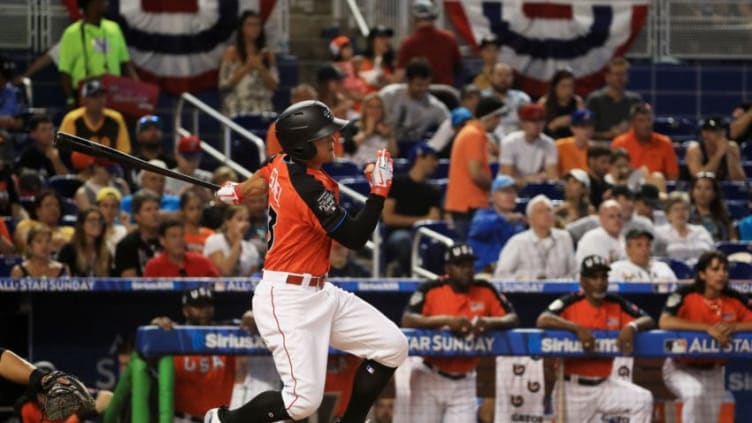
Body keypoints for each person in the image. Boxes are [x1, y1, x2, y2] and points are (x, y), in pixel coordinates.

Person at [205, 100, 408, 423]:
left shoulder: (285, 161)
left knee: (392, 345)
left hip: (319, 291)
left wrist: (240, 191)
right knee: (301, 403)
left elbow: (266, 171)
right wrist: (379, 192)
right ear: (303, 144)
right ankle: (223, 420)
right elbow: (354, 238)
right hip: (287, 298)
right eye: (324, 134)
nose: (333, 138)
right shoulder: (308, 189)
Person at [402, 243, 519, 423]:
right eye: (460, 265)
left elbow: (512, 318)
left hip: (465, 380)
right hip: (430, 375)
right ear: (448, 268)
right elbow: (408, 319)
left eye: (469, 265)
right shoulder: (431, 288)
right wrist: (446, 321)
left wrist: (489, 322)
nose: (467, 270)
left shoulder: (485, 289)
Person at [536, 254, 654, 423]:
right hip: (573, 389)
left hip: (604, 385)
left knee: (642, 399)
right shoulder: (571, 301)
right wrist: (576, 328)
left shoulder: (616, 303)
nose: (600, 282)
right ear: (583, 281)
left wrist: (631, 326)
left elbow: (648, 319)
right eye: (593, 277)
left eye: (603, 277)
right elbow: (543, 319)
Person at [659, 250, 752, 423]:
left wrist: (735, 326)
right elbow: (665, 321)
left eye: (724, 270)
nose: (721, 274)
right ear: (702, 274)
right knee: (694, 393)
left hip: (714, 371)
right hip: (680, 367)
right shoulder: (685, 293)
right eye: (715, 270)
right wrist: (706, 328)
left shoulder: (734, 297)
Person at [150, 288, 246, 421]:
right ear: (185, 310)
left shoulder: (228, 332)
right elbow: (148, 359)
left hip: (220, 418)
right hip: (183, 419)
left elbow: (248, 322)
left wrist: (250, 317)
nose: (204, 311)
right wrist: (155, 328)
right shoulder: (174, 334)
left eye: (208, 305)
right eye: (198, 306)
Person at [57, 0, 138, 107]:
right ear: (91, 4)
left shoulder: (114, 29)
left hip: (113, 94)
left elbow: (125, 64)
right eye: (102, 1)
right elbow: (65, 71)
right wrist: (71, 100)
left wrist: (139, 90)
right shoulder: (71, 33)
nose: (107, 3)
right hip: (85, 95)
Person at [445, 96, 504, 240]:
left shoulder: (470, 132)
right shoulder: (474, 135)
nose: (499, 122)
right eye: (498, 117)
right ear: (491, 117)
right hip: (469, 205)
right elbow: (476, 173)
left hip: (465, 204)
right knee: (472, 254)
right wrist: (497, 188)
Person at [382, 142, 440, 276]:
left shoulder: (433, 190)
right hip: (398, 233)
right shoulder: (397, 183)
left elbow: (435, 218)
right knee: (403, 240)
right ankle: (408, 275)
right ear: (420, 157)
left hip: (424, 235)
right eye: (432, 159)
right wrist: (421, 221)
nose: (436, 163)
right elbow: (388, 218)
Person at [495, 195, 577, 280]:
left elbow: (574, 272)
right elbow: (501, 274)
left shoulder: (564, 238)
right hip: (526, 292)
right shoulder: (518, 242)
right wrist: (522, 280)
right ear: (530, 218)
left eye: (549, 210)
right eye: (540, 211)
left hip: (561, 292)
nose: (546, 214)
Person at [59, 79, 131, 164]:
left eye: (102, 96)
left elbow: (124, 153)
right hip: (81, 170)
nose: (99, 100)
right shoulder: (72, 119)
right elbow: (64, 152)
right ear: (83, 99)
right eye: (94, 96)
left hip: (111, 170)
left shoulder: (116, 118)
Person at [219, 10, 277, 115]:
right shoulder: (231, 52)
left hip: (263, 108)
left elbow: (274, 85)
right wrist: (247, 67)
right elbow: (224, 84)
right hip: (237, 107)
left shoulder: (267, 53)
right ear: (242, 28)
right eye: (250, 24)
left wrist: (261, 68)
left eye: (257, 25)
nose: (254, 28)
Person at [379, 58, 449, 143]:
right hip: (383, 142)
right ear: (408, 81)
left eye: (426, 85)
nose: (423, 89)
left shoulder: (434, 106)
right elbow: (368, 116)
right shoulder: (389, 95)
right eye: (418, 85)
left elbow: (449, 125)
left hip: (413, 148)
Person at [468, 175, 527, 274]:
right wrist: (504, 218)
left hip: (511, 273)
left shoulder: (517, 223)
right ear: (492, 195)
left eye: (513, 192)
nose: (511, 196)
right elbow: (480, 228)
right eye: (505, 192)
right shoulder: (482, 215)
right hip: (484, 273)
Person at [396, 0, 461, 86]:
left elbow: (400, 75)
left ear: (414, 18)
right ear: (434, 16)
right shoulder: (449, 38)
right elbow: (458, 67)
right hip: (447, 94)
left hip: (419, 94)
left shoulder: (408, 43)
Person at [611, 104, 679, 182]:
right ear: (632, 123)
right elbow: (614, 174)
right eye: (641, 120)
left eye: (649, 120)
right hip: (628, 187)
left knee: (657, 176)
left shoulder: (665, 143)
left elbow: (673, 176)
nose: (647, 124)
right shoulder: (619, 143)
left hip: (657, 189)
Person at [499, 103, 558, 186]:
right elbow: (507, 179)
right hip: (512, 190)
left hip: (537, 189)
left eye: (540, 120)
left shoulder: (549, 143)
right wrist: (529, 179)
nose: (537, 125)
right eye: (532, 121)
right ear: (522, 123)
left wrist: (529, 180)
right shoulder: (509, 142)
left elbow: (552, 177)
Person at [585, 57, 642, 141]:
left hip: (627, 147)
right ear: (607, 77)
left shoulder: (634, 100)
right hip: (601, 147)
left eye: (623, 74)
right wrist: (609, 135)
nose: (620, 78)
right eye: (617, 74)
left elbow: (640, 128)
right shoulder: (594, 100)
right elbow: (586, 132)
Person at [654, 192, 715, 264]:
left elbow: (713, 255)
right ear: (668, 214)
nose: (681, 213)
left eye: (684, 209)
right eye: (676, 209)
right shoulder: (659, 233)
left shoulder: (701, 231)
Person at [144, 219, 219, 277]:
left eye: (182, 235)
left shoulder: (202, 262)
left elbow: (219, 288)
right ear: (162, 240)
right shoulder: (153, 267)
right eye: (174, 236)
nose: (179, 240)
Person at [203, 205, 260, 277]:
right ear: (227, 222)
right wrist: (237, 241)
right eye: (239, 219)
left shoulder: (251, 248)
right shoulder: (214, 241)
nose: (245, 224)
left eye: (247, 220)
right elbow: (225, 271)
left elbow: (251, 279)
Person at [113, 190, 161, 277]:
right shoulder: (126, 245)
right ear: (137, 216)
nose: (154, 213)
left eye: (156, 209)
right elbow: (129, 283)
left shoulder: (169, 239)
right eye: (148, 209)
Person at [13, 190, 75, 255]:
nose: (53, 208)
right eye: (48, 205)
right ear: (38, 211)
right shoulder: (27, 224)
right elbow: (25, 243)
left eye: (57, 205)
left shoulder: (70, 230)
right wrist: (60, 243)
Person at [685, 116, 746, 181]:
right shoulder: (694, 148)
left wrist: (729, 154)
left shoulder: (732, 147)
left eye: (713, 131)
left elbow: (739, 180)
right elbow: (699, 179)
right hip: (696, 190)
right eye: (705, 130)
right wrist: (719, 154)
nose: (707, 134)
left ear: (723, 133)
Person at [57, 208, 112, 277]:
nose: (97, 223)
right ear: (81, 225)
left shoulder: (106, 253)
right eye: (92, 220)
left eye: (100, 220)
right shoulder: (69, 250)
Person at [127, 115, 176, 189]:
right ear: (138, 135)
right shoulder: (129, 161)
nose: (153, 132)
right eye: (147, 129)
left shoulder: (171, 163)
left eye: (156, 129)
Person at [608, 229, 677, 282]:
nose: (644, 249)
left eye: (648, 245)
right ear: (627, 249)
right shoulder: (616, 269)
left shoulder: (663, 268)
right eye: (639, 245)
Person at [348, 93, 397, 166]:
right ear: (364, 109)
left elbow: (394, 153)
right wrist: (368, 132)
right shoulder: (354, 125)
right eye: (370, 107)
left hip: (381, 169)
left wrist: (388, 136)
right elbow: (348, 148)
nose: (374, 110)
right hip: (358, 168)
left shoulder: (386, 128)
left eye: (378, 107)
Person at [485, 63, 532, 139]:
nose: (503, 79)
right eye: (499, 75)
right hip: (490, 139)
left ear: (512, 78)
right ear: (491, 77)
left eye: (507, 75)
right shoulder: (483, 98)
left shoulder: (522, 98)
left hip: (517, 139)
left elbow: (529, 123)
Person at [575, 199, 627, 266]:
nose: (617, 220)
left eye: (619, 216)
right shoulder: (593, 238)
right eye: (611, 216)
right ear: (601, 219)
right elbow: (599, 269)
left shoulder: (624, 238)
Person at [16, 114, 69, 178]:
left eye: (51, 129)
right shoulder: (27, 155)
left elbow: (67, 181)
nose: (49, 133)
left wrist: (55, 159)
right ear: (33, 134)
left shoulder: (63, 151)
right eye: (43, 130)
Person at [538, 69, 585, 140]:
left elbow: (585, 127)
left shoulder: (578, 102)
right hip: (550, 142)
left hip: (572, 142)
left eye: (571, 86)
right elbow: (538, 130)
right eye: (563, 86)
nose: (568, 91)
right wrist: (554, 125)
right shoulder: (544, 103)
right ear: (554, 87)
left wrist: (575, 121)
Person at [689, 172, 735, 242]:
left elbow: (733, 239)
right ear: (692, 192)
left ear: (714, 193)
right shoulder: (685, 213)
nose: (702, 192)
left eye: (707, 188)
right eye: (698, 187)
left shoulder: (724, 215)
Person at [556, 109, 594, 176]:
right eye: (583, 127)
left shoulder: (594, 149)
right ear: (572, 128)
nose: (588, 130)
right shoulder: (560, 145)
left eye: (590, 126)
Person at [360, 25, 397, 93]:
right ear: (372, 41)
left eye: (387, 38)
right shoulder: (361, 61)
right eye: (382, 38)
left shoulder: (392, 62)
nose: (386, 41)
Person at [95, 187, 128, 255]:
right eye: (105, 206)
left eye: (113, 206)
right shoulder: (91, 233)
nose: (109, 210)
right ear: (98, 208)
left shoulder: (124, 231)